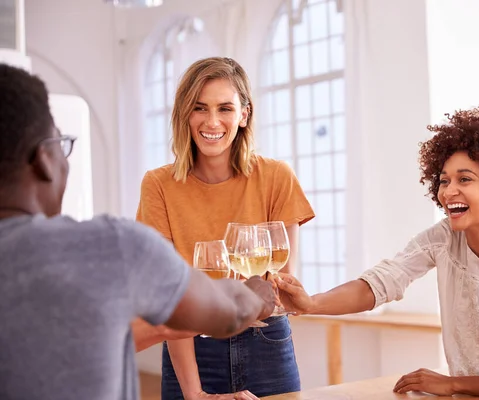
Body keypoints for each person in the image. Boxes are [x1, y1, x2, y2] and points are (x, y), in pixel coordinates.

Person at [276, 106, 479, 400]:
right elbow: (384, 281)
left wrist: (453, 383)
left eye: (465, 179)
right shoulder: (443, 238)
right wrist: (312, 303)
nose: (448, 191)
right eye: (444, 180)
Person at [0, 63, 277, 400]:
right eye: (63, 144)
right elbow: (223, 310)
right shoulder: (110, 246)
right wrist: (256, 295)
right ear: (44, 159)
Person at [136, 57, 314, 400]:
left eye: (225, 108)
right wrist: (195, 393)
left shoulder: (276, 177)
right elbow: (167, 298)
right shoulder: (158, 185)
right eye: (199, 108)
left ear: (244, 114)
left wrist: (287, 296)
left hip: (267, 344)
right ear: (184, 114)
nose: (212, 121)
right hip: (191, 348)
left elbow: (279, 282)